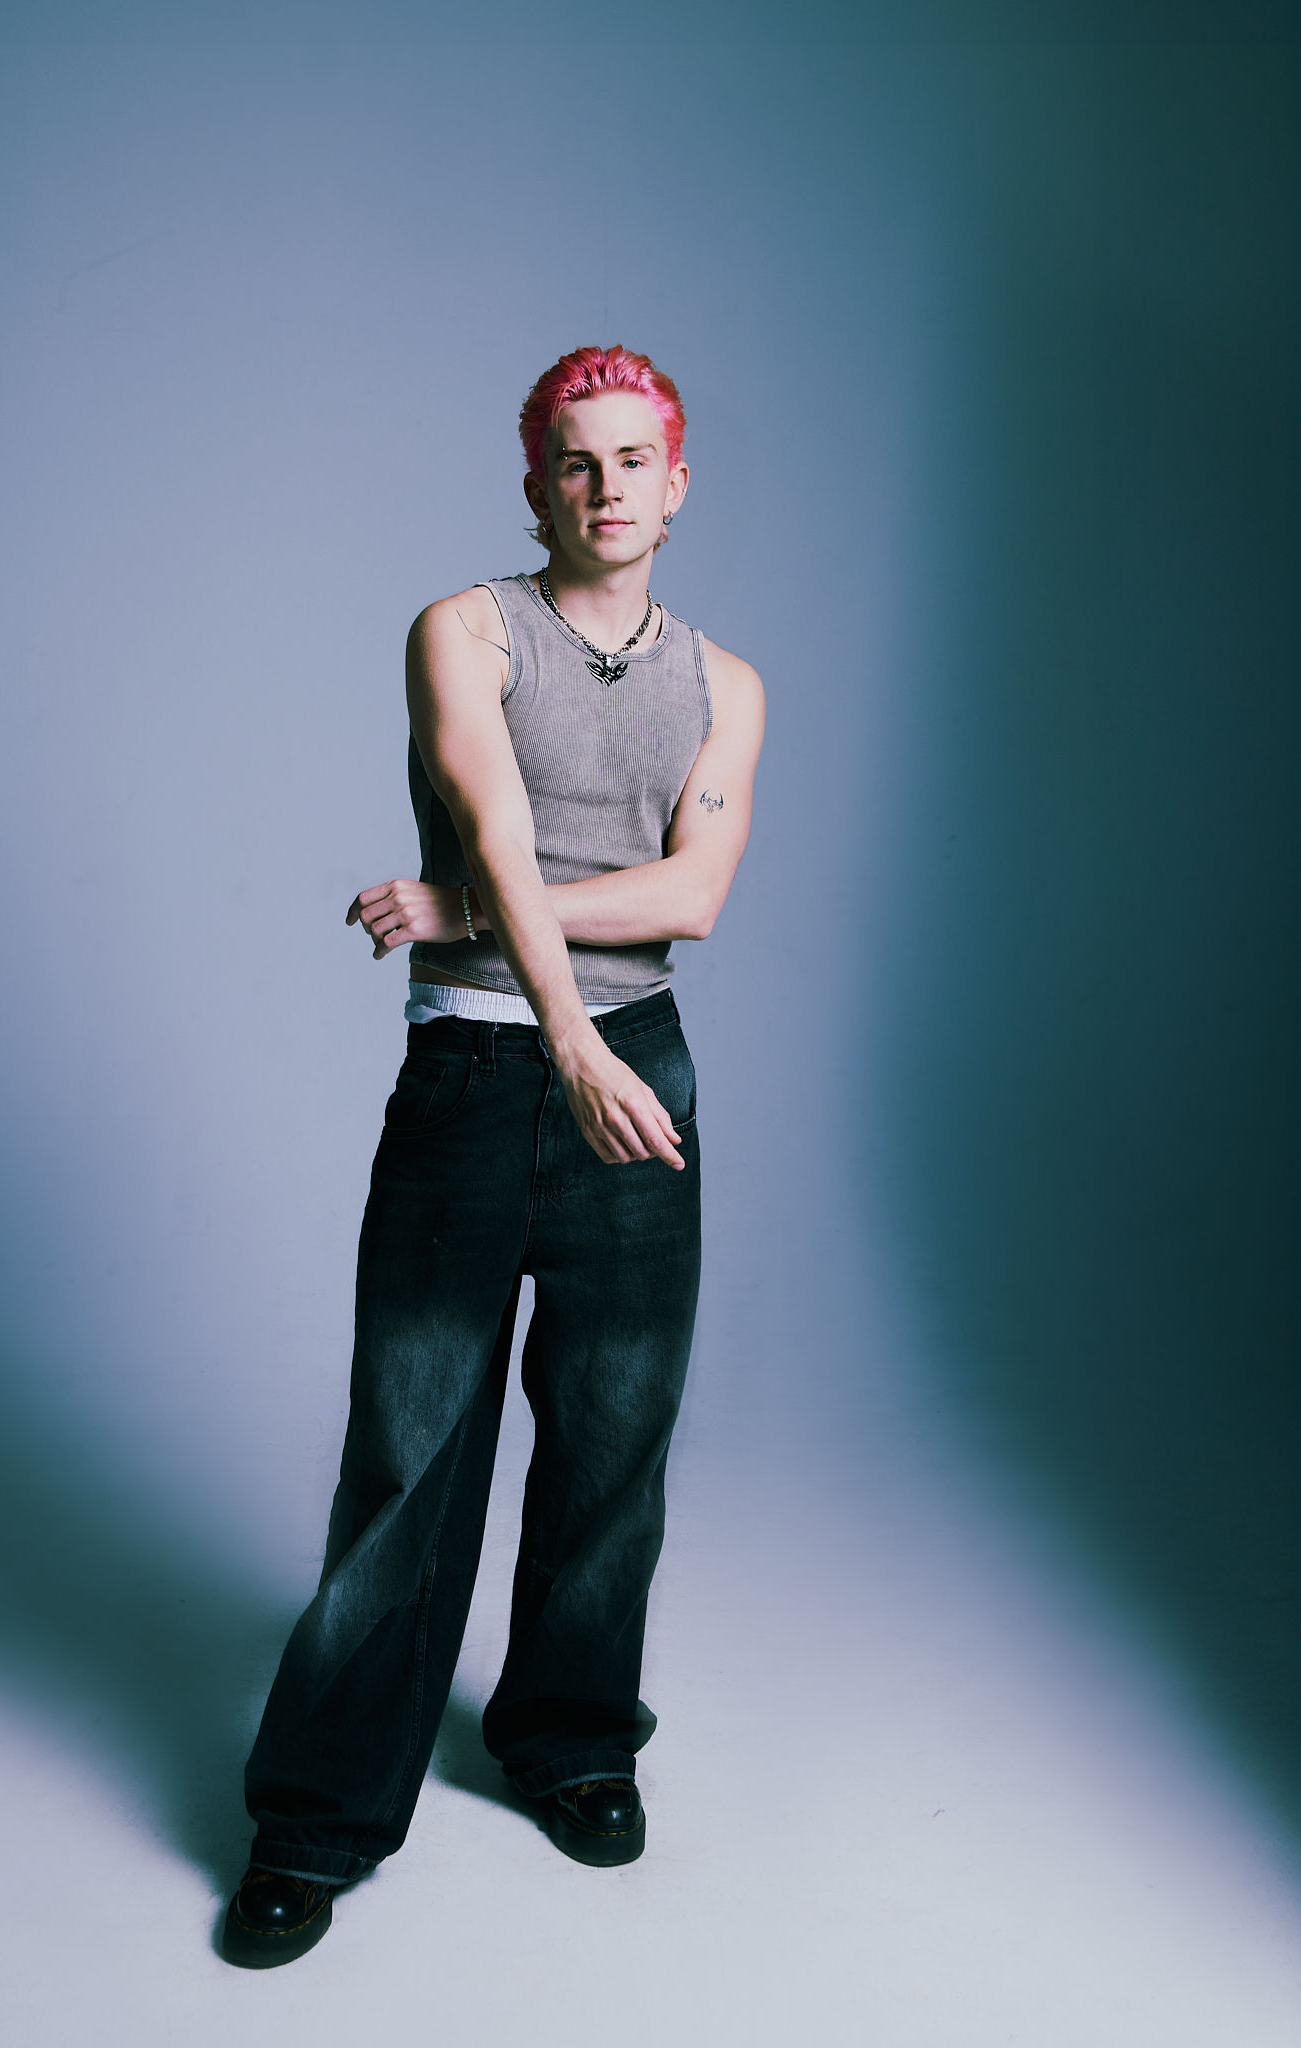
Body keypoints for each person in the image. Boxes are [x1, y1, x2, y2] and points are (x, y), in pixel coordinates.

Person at [222, 345, 765, 1966]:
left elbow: (693, 899)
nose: (606, 488)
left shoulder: (726, 684)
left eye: (634, 460)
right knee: (409, 1450)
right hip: (478, 1071)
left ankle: (573, 1741)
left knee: (612, 1441)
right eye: (575, 462)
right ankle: (316, 1820)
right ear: (536, 485)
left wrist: (461, 918)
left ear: (679, 484)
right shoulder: (463, 631)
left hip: (639, 1069)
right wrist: (564, 1031)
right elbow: (503, 832)